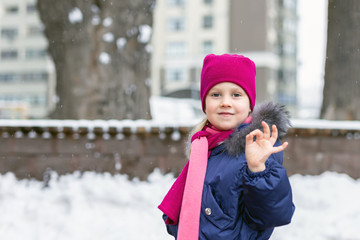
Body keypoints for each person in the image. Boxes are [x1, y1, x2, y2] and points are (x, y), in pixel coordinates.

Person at [158, 54, 295, 240]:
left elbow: (273, 215)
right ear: (205, 105)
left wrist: (257, 170)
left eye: (236, 95)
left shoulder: (258, 146)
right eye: (216, 94)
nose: (225, 102)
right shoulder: (205, 146)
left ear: (249, 105)